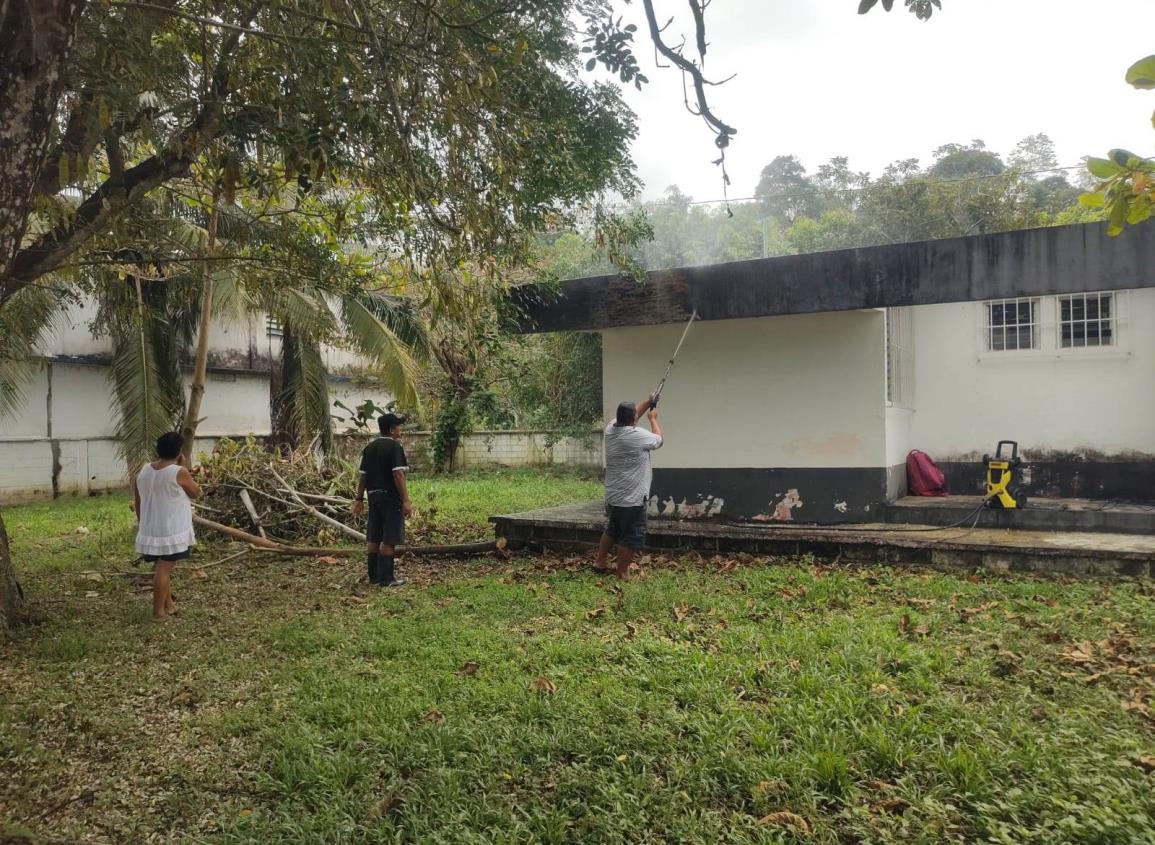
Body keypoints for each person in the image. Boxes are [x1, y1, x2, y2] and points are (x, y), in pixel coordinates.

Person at [133, 431, 200, 620]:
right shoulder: (179, 472)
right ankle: (158, 612)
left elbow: (138, 500)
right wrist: (184, 466)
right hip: (171, 530)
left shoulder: (144, 470)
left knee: (161, 565)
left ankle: (169, 604)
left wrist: (142, 523)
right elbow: (196, 493)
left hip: (151, 528)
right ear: (179, 451)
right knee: (164, 569)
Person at [594, 395, 663, 580]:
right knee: (631, 536)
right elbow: (658, 440)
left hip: (614, 496)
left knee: (613, 529)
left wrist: (649, 400)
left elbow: (633, 416)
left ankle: (599, 561)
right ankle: (622, 573)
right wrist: (653, 419)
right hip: (632, 499)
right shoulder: (637, 435)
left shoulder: (611, 429)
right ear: (633, 420)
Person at [351, 413, 412, 587]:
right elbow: (398, 474)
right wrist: (406, 500)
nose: (401, 430)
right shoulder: (394, 446)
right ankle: (387, 578)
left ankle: (374, 576)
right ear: (392, 429)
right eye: (399, 427)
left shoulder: (369, 448)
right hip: (391, 497)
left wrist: (359, 499)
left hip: (373, 496)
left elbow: (363, 476)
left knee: (374, 535)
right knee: (389, 536)